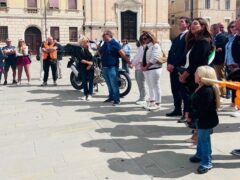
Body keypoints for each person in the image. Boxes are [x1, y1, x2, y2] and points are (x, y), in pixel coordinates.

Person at [179, 18, 214, 147]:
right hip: (192, 77)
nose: (192, 26)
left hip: (198, 77)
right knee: (194, 106)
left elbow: (196, 62)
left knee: (199, 107)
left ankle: (199, 137)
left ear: (203, 26)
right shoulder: (195, 41)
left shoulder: (204, 41)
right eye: (192, 24)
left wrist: (185, 74)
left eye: (196, 24)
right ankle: (196, 135)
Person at [189, 66, 220, 174]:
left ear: (203, 77)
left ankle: (207, 163)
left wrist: (192, 116)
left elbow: (203, 109)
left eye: (196, 73)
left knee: (204, 140)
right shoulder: (200, 87)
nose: (194, 75)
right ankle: (199, 155)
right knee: (201, 138)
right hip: (200, 119)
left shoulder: (207, 91)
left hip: (205, 120)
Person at [99, 30, 132, 106]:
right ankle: (111, 97)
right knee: (109, 84)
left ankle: (117, 100)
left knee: (114, 84)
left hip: (112, 68)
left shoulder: (115, 44)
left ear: (109, 35)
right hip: (104, 67)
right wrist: (98, 48)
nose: (102, 36)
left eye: (104, 35)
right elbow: (100, 53)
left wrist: (129, 62)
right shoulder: (105, 44)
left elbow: (123, 54)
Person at [166, 16, 190, 118]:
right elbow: (171, 52)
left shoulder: (188, 37)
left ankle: (186, 112)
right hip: (173, 68)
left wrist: (174, 64)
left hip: (181, 68)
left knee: (183, 91)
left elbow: (183, 54)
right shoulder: (177, 38)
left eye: (182, 22)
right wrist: (169, 64)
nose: (179, 24)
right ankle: (177, 109)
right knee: (175, 89)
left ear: (187, 24)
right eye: (179, 22)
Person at [141, 31, 162, 111]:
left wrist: (146, 66)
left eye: (145, 38)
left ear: (150, 38)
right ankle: (152, 101)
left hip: (154, 69)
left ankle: (158, 103)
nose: (144, 40)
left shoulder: (155, 46)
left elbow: (154, 58)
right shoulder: (146, 46)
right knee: (150, 86)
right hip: (147, 70)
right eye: (143, 38)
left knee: (156, 86)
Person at [210, 24, 227, 97]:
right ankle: (220, 92)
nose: (211, 31)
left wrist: (215, 48)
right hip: (215, 60)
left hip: (220, 60)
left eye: (212, 30)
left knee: (221, 76)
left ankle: (223, 92)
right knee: (217, 76)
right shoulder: (215, 37)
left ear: (216, 29)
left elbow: (220, 47)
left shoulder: (222, 37)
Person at [78, 36, 95, 101]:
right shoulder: (80, 50)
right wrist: (89, 63)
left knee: (91, 81)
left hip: (91, 67)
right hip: (83, 67)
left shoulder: (90, 49)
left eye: (87, 41)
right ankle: (85, 94)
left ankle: (90, 94)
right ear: (82, 42)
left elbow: (93, 58)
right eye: (86, 42)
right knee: (84, 82)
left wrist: (90, 65)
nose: (87, 43)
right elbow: (80, 59)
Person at [131, 39, 146, 105]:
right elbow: (135, 57)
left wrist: (132, 64)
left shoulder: (142, 48)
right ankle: (141, 97)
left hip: (140, 68)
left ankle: (143, 98)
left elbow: (139, 59)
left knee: (141, 84)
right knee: (139, 84)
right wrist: (132, 62)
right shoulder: (140, 48)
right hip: (137, 68)